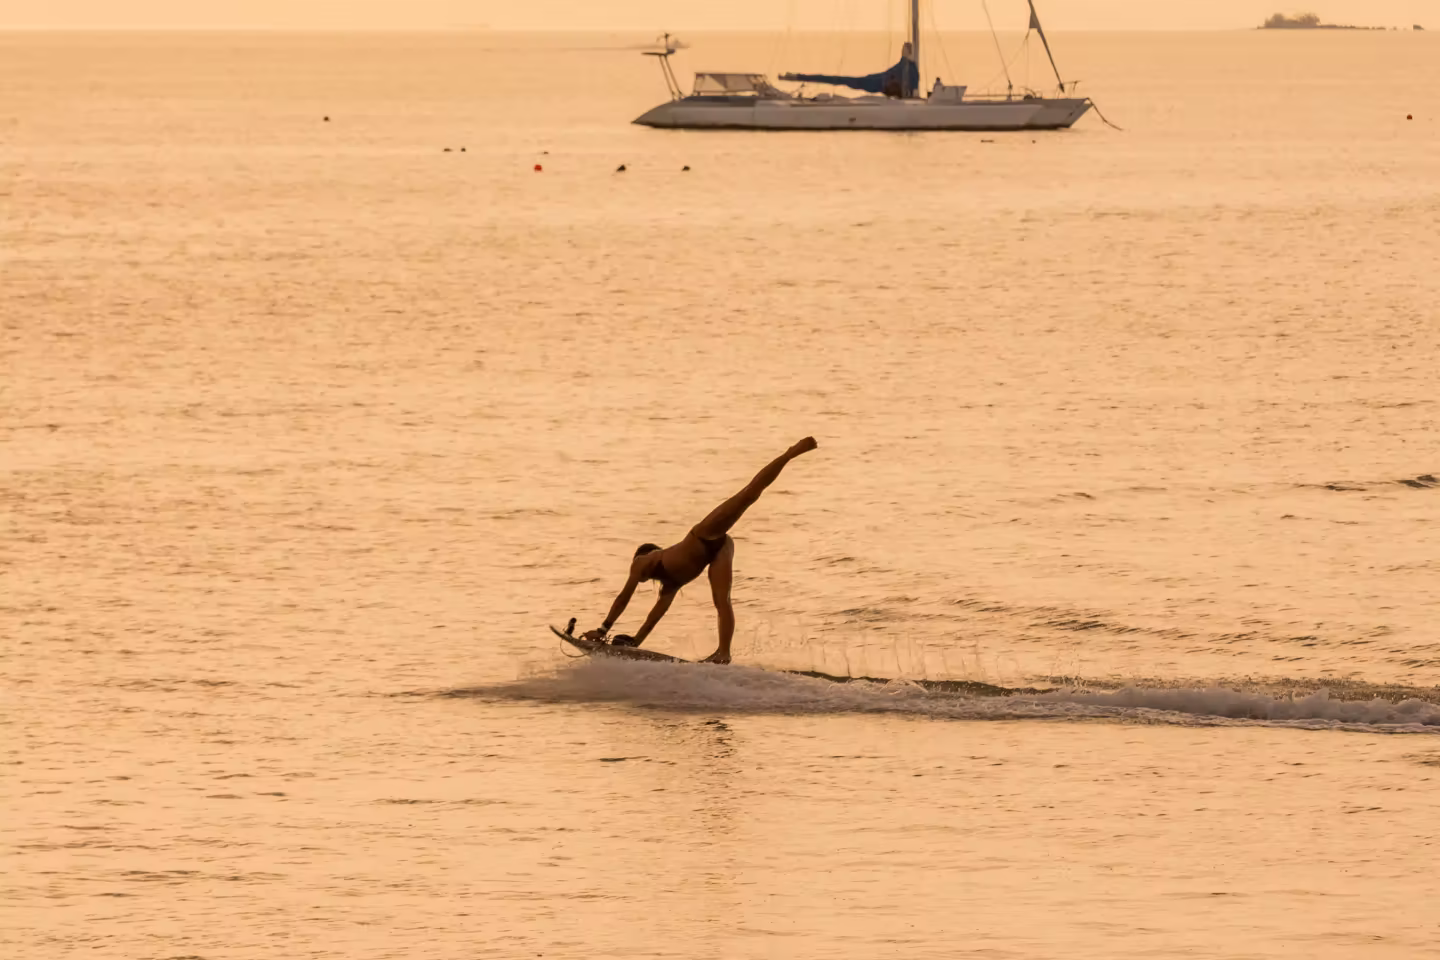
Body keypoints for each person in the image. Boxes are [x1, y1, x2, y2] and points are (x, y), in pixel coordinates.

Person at [583, 437, 818, 664]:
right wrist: (635, 643)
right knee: (722, 601)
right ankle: (723, 654)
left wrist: (603, 629)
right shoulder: (670, 585)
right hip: (719, 549)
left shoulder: (644, 561)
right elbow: (654, 617)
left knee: (748, 495)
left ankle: (792, 452)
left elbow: (624, 597)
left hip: (704, 534)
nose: (640, 578)